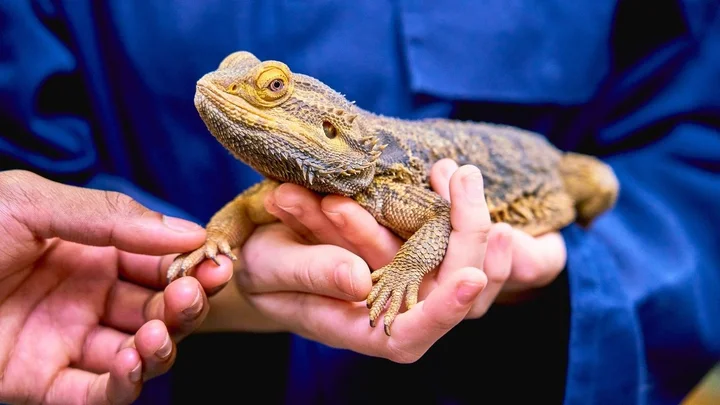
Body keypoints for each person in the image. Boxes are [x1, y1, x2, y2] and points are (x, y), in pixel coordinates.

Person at [1, 1, 718, 404]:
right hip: (135, 366)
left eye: (271, 90)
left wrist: (578, 271)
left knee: (597, 181)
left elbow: (437, 219)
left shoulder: (388, 184)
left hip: (503, 346)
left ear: (332, 127)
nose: (232, 95)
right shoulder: (300, 186)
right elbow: (246, 209)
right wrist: (217, 247)